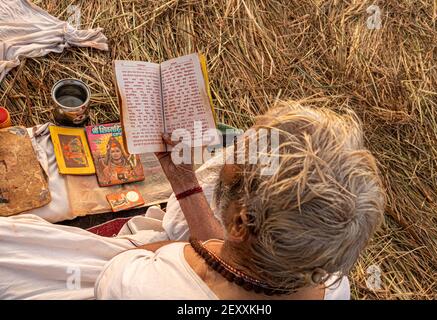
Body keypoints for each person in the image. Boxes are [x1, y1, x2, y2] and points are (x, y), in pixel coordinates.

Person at [0, 102, 384, 299]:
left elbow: (120, 267)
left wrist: (174, 245)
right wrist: (183, 181)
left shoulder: (147, 284)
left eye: (230, 173)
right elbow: (223, 254)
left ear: (237, 225)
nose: (225, 159)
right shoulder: (333, 284)